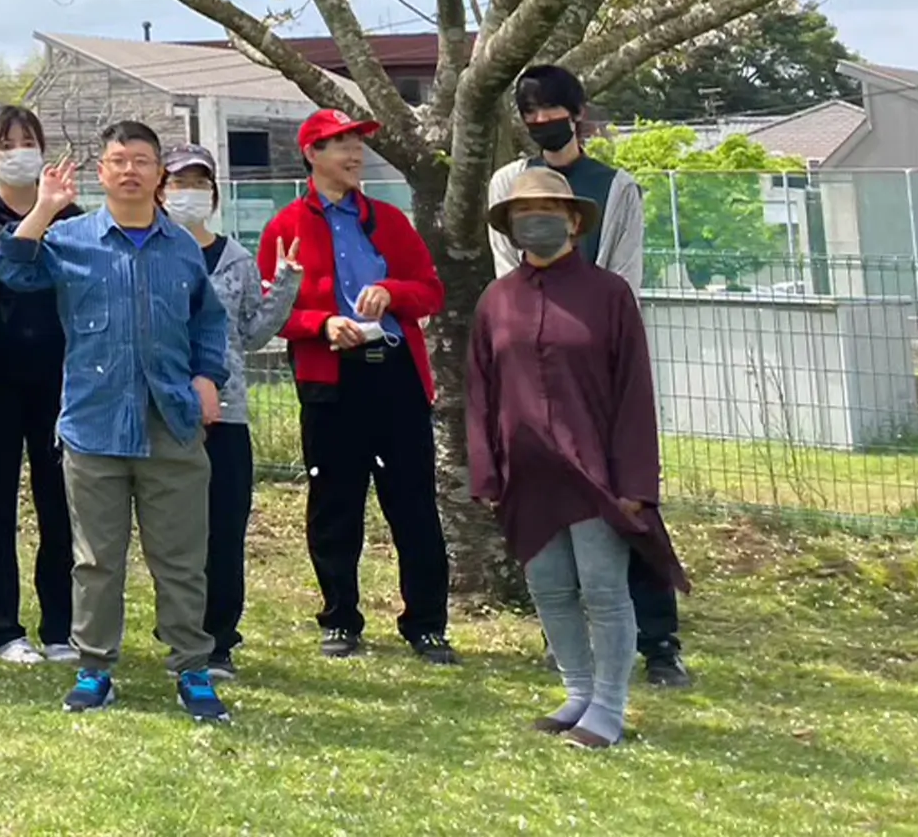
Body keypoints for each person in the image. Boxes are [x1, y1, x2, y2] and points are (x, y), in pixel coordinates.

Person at [0, 124, 234, 725]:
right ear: (100, 173)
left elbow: (209, 321)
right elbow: (10, 268)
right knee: (96, 560)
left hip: (171, 424)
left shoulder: (181, 246)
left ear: (159, 175)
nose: (130, 171)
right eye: (118, 161)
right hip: (94, 425)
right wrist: (45, 208)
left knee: (180, 557)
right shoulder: (70, 238)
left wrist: (208, 377)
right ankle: (95, 668)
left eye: (142, 162)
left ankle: (191, 668)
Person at [470, 167, 687, 749]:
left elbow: (635, 392)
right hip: (527, 475)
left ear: (573, 222)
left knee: (603, 589)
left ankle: (610, 709)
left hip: (598, 473)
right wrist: (488, 472)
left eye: (545, 211)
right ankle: (578, 690)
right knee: (550, 588)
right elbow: (481, 390)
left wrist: (636, 481)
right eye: (521, 213)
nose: (532, 221)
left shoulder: (609, 295)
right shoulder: (496, 300)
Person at [492, 63, 688, 690]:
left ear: (575, 112)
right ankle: (568, 641)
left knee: (626, 502)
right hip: (534, 369)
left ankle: (659, 642)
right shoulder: (507, 182)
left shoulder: (615, 186)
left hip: (598, 364)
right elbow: (508, 275)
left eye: (550, 109)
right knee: (553, 504)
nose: (540, 121)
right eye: (529, 112)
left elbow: (623, 273)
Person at [258, 107, 457, 663]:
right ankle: (340, 619)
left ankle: (427, 624)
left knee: (414, 503)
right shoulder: (284, 228)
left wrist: (392, 291)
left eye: (356, 143)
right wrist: (321, 324)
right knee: (335, 503)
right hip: (329, 378)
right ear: (311, 155)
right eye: (338, 143)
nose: (353, 153)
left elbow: (431, 291)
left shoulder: (390, 221)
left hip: (394, 376)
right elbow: (271, 313)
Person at [162, 143, 300, 679]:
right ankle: (178, 633)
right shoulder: (155, 253)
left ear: (214, 194)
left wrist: (286, 282)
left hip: (228, 414)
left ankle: (219, 639)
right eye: (177, 183)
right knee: (174, 533)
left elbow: (252, 332)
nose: (187, 193)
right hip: (168, 414)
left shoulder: (237, 259)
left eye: (197, 183)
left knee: (224, 529)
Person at [0, 103, 80, 666]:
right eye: (6, 143)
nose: (19, 151)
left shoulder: (71, 215)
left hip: (61, 385)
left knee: (62, 506)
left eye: (28, 140)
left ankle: (61, 626)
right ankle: (3, 626)